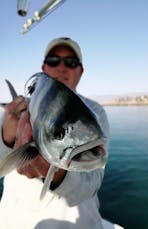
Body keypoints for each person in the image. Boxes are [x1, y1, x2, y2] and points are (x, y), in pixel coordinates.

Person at [0, 37, 111, 229]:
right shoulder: (14, 112)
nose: (62, 67)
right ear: (44, 67)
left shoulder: (96, 112)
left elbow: (93, 181)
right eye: (53, 60)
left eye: (71, 62)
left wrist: (58, 174)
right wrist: (6, 137)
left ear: (80, 71)